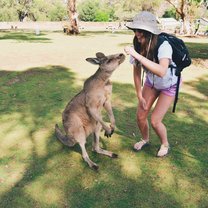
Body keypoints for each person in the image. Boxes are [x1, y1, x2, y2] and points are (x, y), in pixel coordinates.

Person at [124, 11, 179, 157]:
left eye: (141, 31)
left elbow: (161, 71)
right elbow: (136, 73)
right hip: (151, 83)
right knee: (140, 116)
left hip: (168, 85)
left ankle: (165, 144)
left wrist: (136, 55)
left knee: (155, 121)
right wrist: (139, 95)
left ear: (150, 31)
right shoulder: (137, 45)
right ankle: (145, 139)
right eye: (135, 30)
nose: (137, 34)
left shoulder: (163, 45)